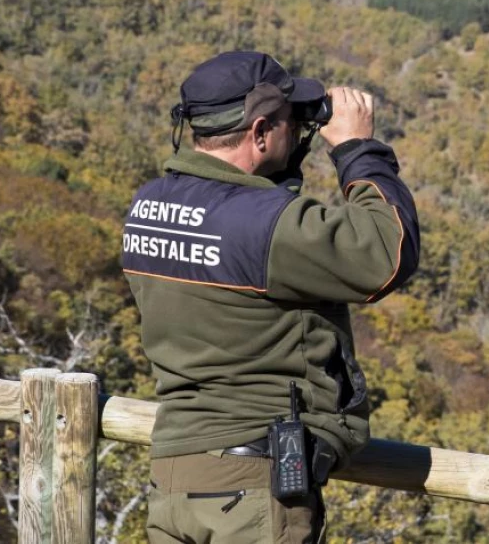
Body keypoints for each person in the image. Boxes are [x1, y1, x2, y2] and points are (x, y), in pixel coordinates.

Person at [122, 51, 419, 544]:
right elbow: (388, 253)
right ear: (259, 132)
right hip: (251, 491)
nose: (297, 129)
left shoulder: (147, 206)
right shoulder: (268, 226)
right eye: (288, 121)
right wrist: (357, 148)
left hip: (173, 479)